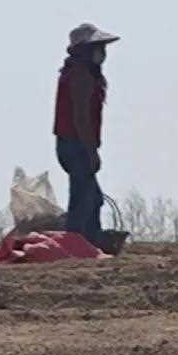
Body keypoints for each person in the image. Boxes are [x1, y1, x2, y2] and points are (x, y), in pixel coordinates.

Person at [53, 23, 117, 246]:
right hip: (76, 144)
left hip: (70, 143)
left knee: (93, 198)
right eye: (98, 48)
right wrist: (91, 151)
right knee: (83, 199)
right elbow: (81, 117)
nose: (103, 54)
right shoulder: (81, 75)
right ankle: (76, 243)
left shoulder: (77, 72)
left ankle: (91, 241)